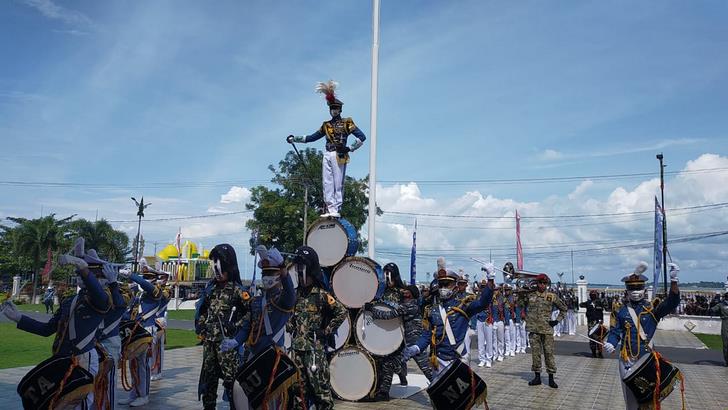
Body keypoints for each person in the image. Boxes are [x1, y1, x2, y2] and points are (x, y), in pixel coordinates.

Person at [2, 237, 112, 409]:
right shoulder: (69, 301)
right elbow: (47, 329)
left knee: (80, 404)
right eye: (78, 273)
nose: (80, 277)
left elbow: (97, 292)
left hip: (82, 358)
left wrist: (81, 266)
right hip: (61, 358)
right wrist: (19, 318)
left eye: (90, 273)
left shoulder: (101, 300)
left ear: (99, 277)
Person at [604, 262, 682, 409]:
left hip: (646, 359)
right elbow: (615, 331)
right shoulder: (620, 310)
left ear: (644, 288)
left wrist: (674, 280)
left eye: (638, 287)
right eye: (631, 288)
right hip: (626, 360)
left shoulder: (652, 308)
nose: (635, 291)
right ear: (626, 290)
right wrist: (611, 343)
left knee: (649, 398)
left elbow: (672, 302)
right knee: (630, 400)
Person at [287, 80, 367, 217]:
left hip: (339, 154)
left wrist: (349, 149)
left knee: (338, 182)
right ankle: (330, 208)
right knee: (327, 181)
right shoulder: (326, 125)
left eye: (335, 108)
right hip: (327, 153)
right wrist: (296, 139)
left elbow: (362, 137)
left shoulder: (347, 122)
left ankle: (337, 208)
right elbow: (312, 137)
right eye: (331, 108)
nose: (333, 111)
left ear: (340, 110)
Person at [403, 259, 495, 377]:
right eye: (441, 284)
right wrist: (415, 348)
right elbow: (427, 335)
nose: (443, 288)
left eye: (447, 284)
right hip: (438, 360)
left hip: (458, 359)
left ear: (455, 287)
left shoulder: (464, 305)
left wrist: (490, 278)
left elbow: (483, 303)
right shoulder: (433, 310)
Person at [287, 246, 347, 410]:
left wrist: (326, 331)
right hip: (297, 351)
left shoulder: (321, 295)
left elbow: (341, 312)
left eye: (303, 269)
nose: (300, 273)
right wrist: (290, 325)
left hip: (315, 353)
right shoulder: (296, 294)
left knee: (322, 394)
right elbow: (289, 315)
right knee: (299, 394)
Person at [194, 244, 250, 410]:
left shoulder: (237, 291)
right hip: (210, 344)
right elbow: (203, 309)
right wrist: (203, 324)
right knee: (208, 382)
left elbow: (251, 314)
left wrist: (236, 326)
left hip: (227, 346)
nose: (217, 272)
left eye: (221, 267)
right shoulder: (210, 289)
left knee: (232, 383)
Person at [117, 259, 169, 407]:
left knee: (142, 364)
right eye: (143, 277)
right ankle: (134, 393)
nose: (143, 280)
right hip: (135, 330)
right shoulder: (140, 296)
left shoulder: (155, 292)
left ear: (153, 279)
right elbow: (130, 313)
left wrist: (132, 275)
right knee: (133, 364)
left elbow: (147, 285)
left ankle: (144, 395)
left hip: (147, 330)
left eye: (146, 278)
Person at [522, 273, 567, 388]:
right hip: (534, 329)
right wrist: (522, 292)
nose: (542, 285)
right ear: (537, 283)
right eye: (540, 283)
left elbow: (564, 309)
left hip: (547, 330)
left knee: (549, 354)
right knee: (535, 354)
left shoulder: (551, 296)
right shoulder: (530, 295)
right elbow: (520, 304)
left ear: (546, 284)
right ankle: (537, 377)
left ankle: (551, 378)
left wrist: (557, 321)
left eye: (544, 283)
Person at [151, 272, 171, 381]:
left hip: (160, 320)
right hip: (149, 321)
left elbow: (163, 296)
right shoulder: (152, 288)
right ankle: (149, 369)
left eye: (163, 277)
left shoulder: (167, 289)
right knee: (149, 348)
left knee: (158, 349)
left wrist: (156, 286)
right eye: (159, 277)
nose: (161, 279)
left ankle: (157, 371)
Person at [580, 290, 606, 358]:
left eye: (594, 295)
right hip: (591, 323)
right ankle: (593, 352)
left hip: (599, 322)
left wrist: (603, 297)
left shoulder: (600, 302)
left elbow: (607, 306)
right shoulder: (588, 302)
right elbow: (581, 305)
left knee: (600, 338)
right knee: (592, 338)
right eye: (592, 295)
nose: (593, 296)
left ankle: (600, 352)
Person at [709, 292, 728, 366]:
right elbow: (713, 309)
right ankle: (727, 360)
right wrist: (711, 310)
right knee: (726, 343)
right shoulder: (721, 305)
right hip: (725, 322)